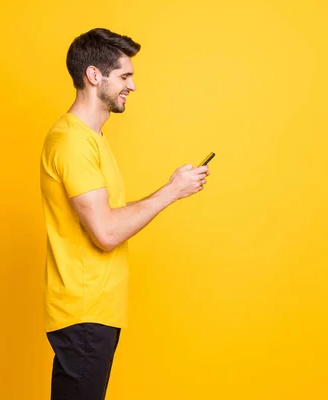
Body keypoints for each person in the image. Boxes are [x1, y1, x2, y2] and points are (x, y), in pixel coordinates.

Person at [39, 28, 210, 399]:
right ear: (94, 76)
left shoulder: (92, 140)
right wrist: (171, 191)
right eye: (124, 76)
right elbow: (107, 233)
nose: (132, 86)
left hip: (95, 312)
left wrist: (173, 190)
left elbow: (108, 218)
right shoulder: (72, 142)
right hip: (85, 312)